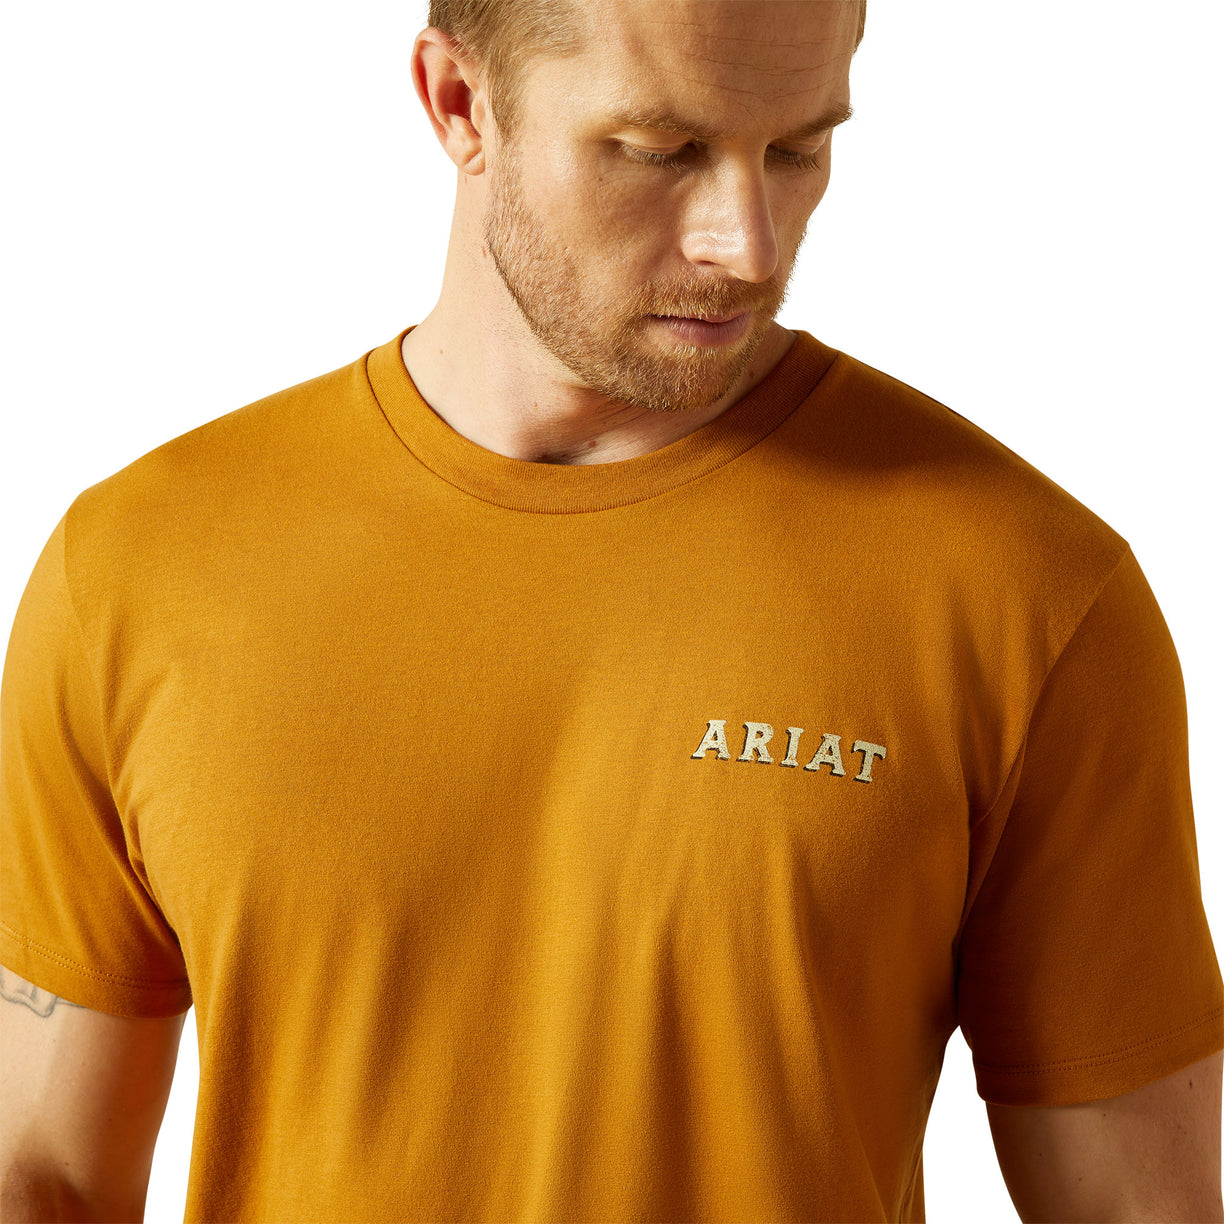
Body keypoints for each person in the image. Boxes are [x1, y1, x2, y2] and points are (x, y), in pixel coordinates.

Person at [2, 0, 1221, 1220]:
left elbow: (1143, 1211)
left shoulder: (1031, 595)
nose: (746, 242)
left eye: (797, 149)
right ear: (459, 105)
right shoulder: (137, 574)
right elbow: (38, 1171)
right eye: (659, 151)